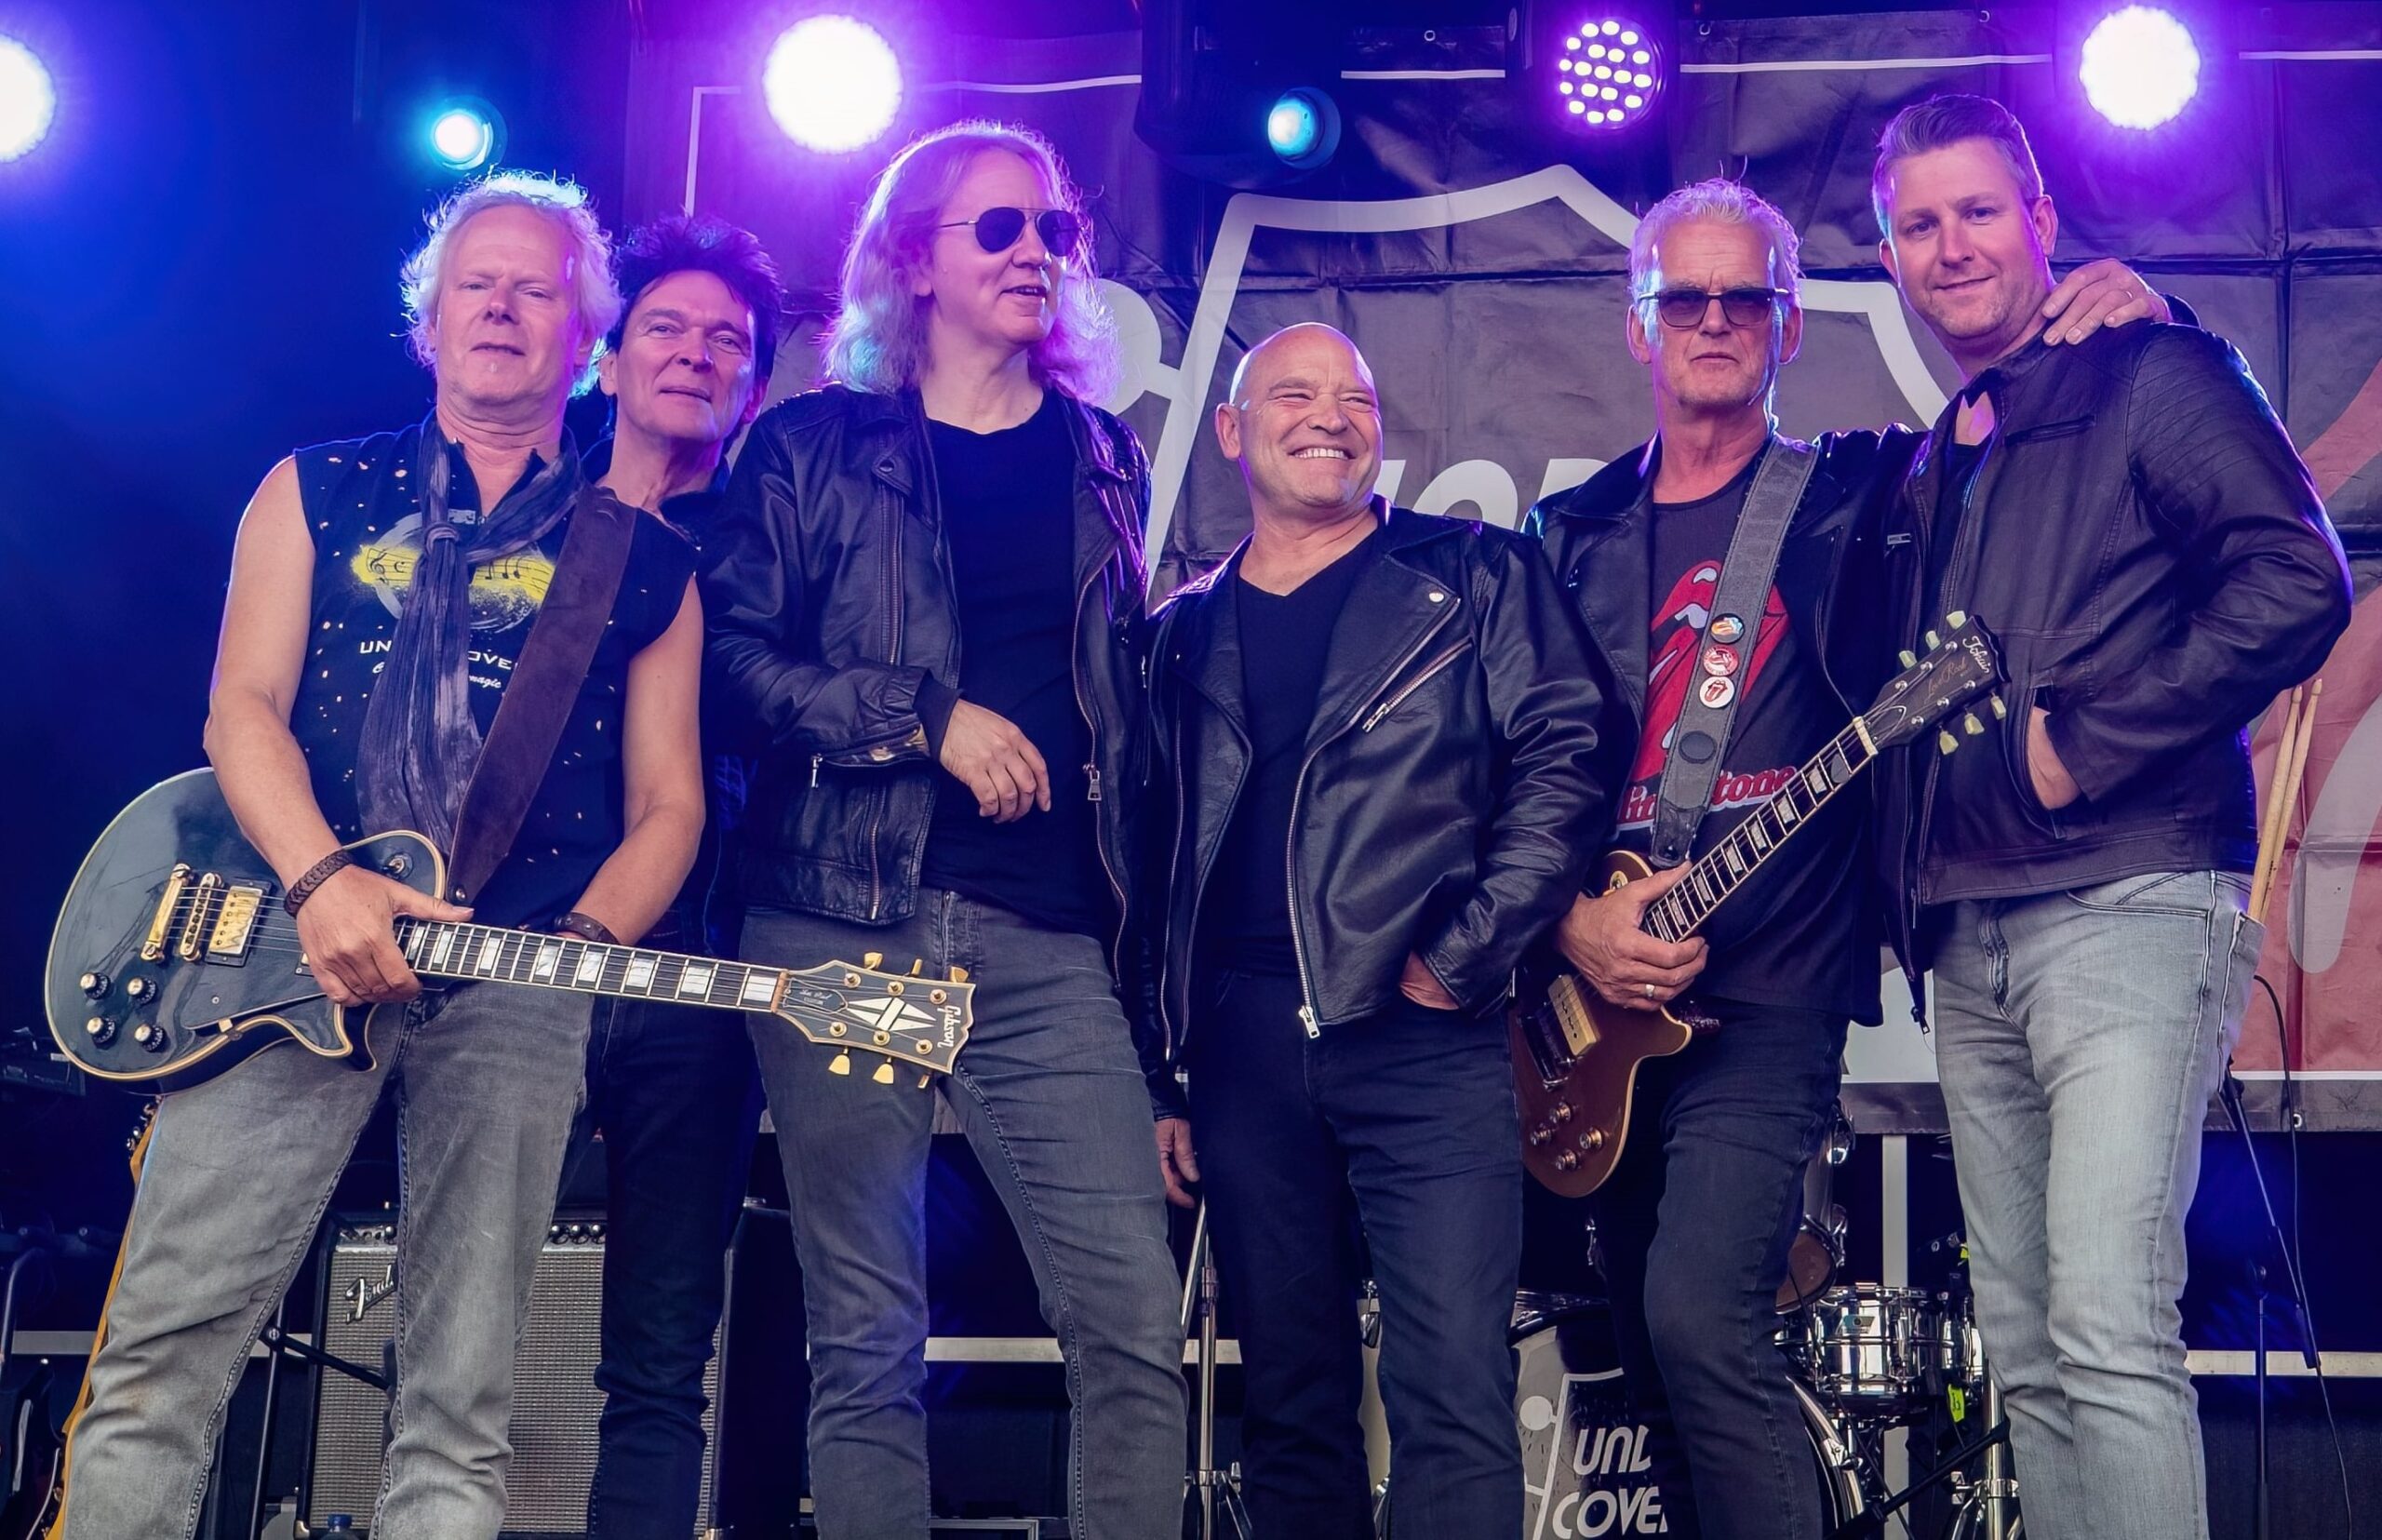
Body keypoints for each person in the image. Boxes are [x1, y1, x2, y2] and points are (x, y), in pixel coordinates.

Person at [56, 172, 705, 1540]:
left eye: (537, 290)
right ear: (430, 319)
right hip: (286, 950)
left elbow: (671, 809)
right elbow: (242, 710)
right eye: (478, 283)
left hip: (514, 978)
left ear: (585, 337)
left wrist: (577, 951)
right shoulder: (313, 489)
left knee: (461, 1407)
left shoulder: (645, 562)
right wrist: (319, 882)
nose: (503, 308)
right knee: (161, 1363)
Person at [1524, 178, 2171, 1539]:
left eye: (1743, 297)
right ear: (1638, 325)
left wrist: (2139, 316)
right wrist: (1574, 923)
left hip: (1771, 993)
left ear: (1789, 323)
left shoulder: (1867, 490)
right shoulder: (1566, 532)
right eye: (1682, 299)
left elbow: (2024, 428)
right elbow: (1515, 767)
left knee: (1701, 1319)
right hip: (1598, 999)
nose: (1713, 321)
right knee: (1646, 1352)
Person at [1871, 94, 2352, 1540]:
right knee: (2026, 1349)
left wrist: (2083, 747)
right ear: (1888, 257)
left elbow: (2299, 578)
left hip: (2130, 900)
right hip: (1973, 932)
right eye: (1918, 225)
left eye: (1977, 211)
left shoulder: (2152, 367)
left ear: (2040, 220)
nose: (1951, 247)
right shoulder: (1939, 449)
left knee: (2105, 1320)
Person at [701, 122, 1187, 1540]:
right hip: (843, 921)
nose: (1038, 251)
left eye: (1055, 230)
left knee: (1131, 1324)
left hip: (1045, 942)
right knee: (866, 1335)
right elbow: (730, 667)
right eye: (1000, 227)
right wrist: (922, 717)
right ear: (914, 261)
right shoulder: (808, 446)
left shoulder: (1103, 455)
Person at [1146, 321, 1613, 1540]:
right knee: (1289, 1400)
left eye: (1354, 398)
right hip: (1242, 1047)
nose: (1331, 417)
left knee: (1451, 1387)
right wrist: (1163, 1072)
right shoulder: (1181, 631)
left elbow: (1569, 757)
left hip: (1425, 1030)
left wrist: (1464, 956)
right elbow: (1149, 862)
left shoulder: (1477, 575)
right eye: (1294, 395)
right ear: (1232, 432)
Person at [575, 212, 784, 1540]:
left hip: (690, 976)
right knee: (444, 1313)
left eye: (728, 341)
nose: (696, 354)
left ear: (753, 386)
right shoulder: (518, 517)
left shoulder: (770, 545)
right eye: (666, 326)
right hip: (495, 958)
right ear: (606, 357)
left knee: (658, 1362)